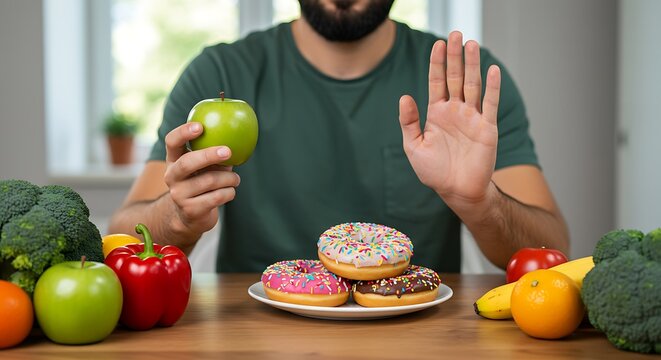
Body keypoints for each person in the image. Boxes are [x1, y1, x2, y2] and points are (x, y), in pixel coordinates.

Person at [108, 0, 569, 272]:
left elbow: (553, 249)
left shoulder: (461, 80)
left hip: (420, 339)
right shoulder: (219, 72)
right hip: (253, 339)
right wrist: (177, 215)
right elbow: (122, 238)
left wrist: (481, 203)